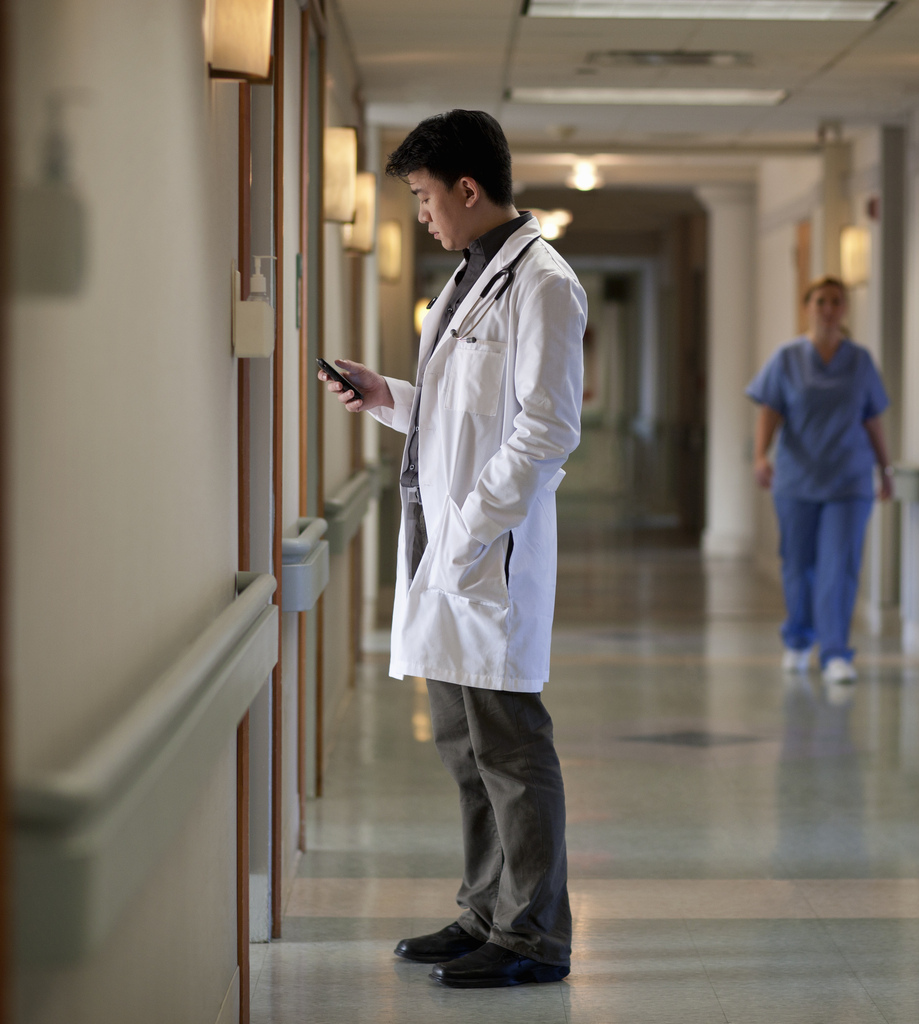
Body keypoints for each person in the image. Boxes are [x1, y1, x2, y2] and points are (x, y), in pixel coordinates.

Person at [319, 109, 585, 989]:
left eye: (427, 197)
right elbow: (455, 418)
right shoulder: (468, 278)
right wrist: (386, 392)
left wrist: (471, 526)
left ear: (468, 189)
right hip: (443, 552)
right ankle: (484, 910)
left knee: (511, 748)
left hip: (484, 553)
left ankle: (534, 936)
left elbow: (545, 432)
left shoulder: (543, 284)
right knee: (463, 749)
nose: (422, 215)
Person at [746, 276, 892, 684]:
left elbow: (872, 419)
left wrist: (886, 468)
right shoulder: (787, 357)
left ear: (845, 309)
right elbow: (769, 411)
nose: (828, 309)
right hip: (797, 480)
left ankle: (835, 653)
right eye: (821, 301)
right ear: (807, 306)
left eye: (836, 302)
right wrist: (760, 456)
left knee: (838, 566)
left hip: (849, 482)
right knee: (798, 564)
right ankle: (797, 639)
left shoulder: (860, 361)